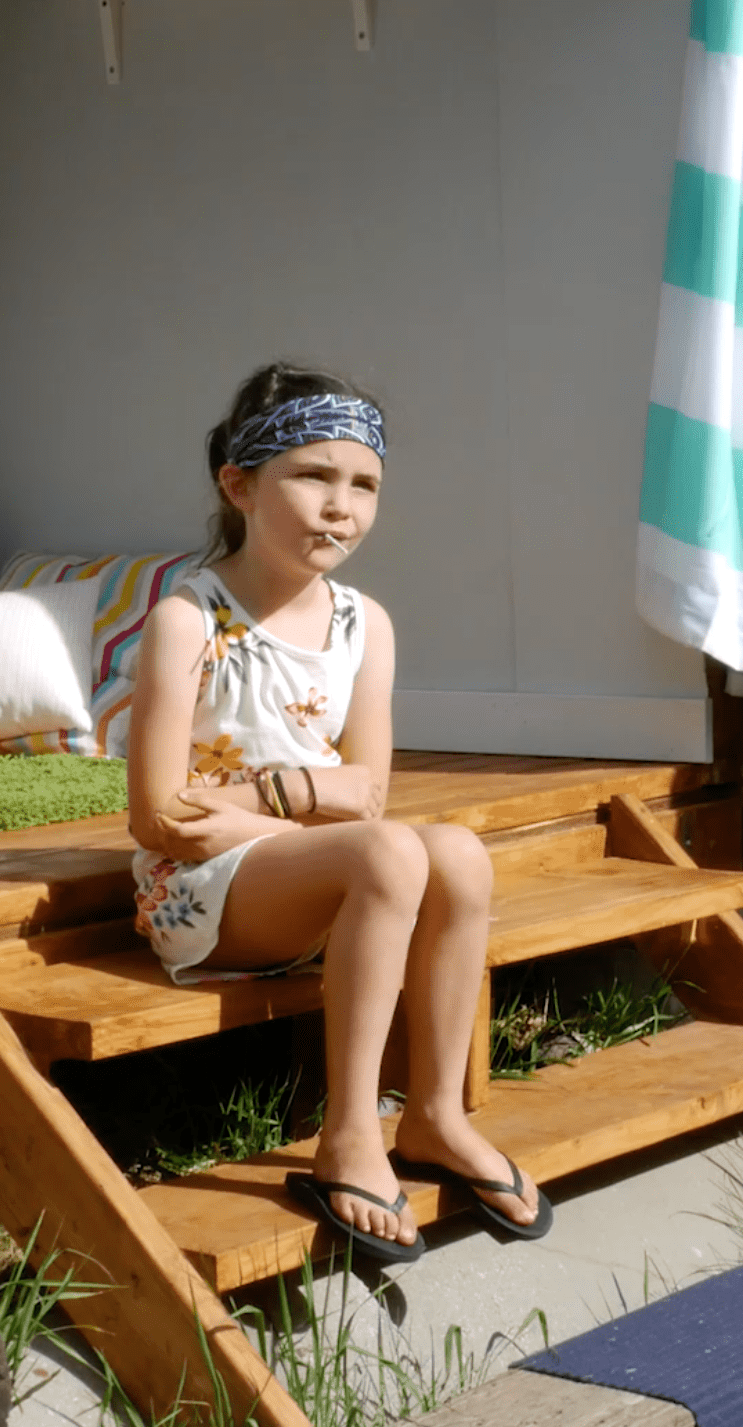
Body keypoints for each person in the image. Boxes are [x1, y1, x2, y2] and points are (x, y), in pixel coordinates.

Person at [124, 364, 550, 1264]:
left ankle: (435, 1115)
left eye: (364, 485)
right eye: (313, 476)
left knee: (459, 853)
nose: (340, 508)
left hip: (318, 870)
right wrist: (302, 798)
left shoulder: (365, 624)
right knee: (388, 855)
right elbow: (160, 817)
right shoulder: (189, 620)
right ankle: (351, 1132)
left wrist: (252, 806)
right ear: (239, 485)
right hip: (200, 890)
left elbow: (372, 796)